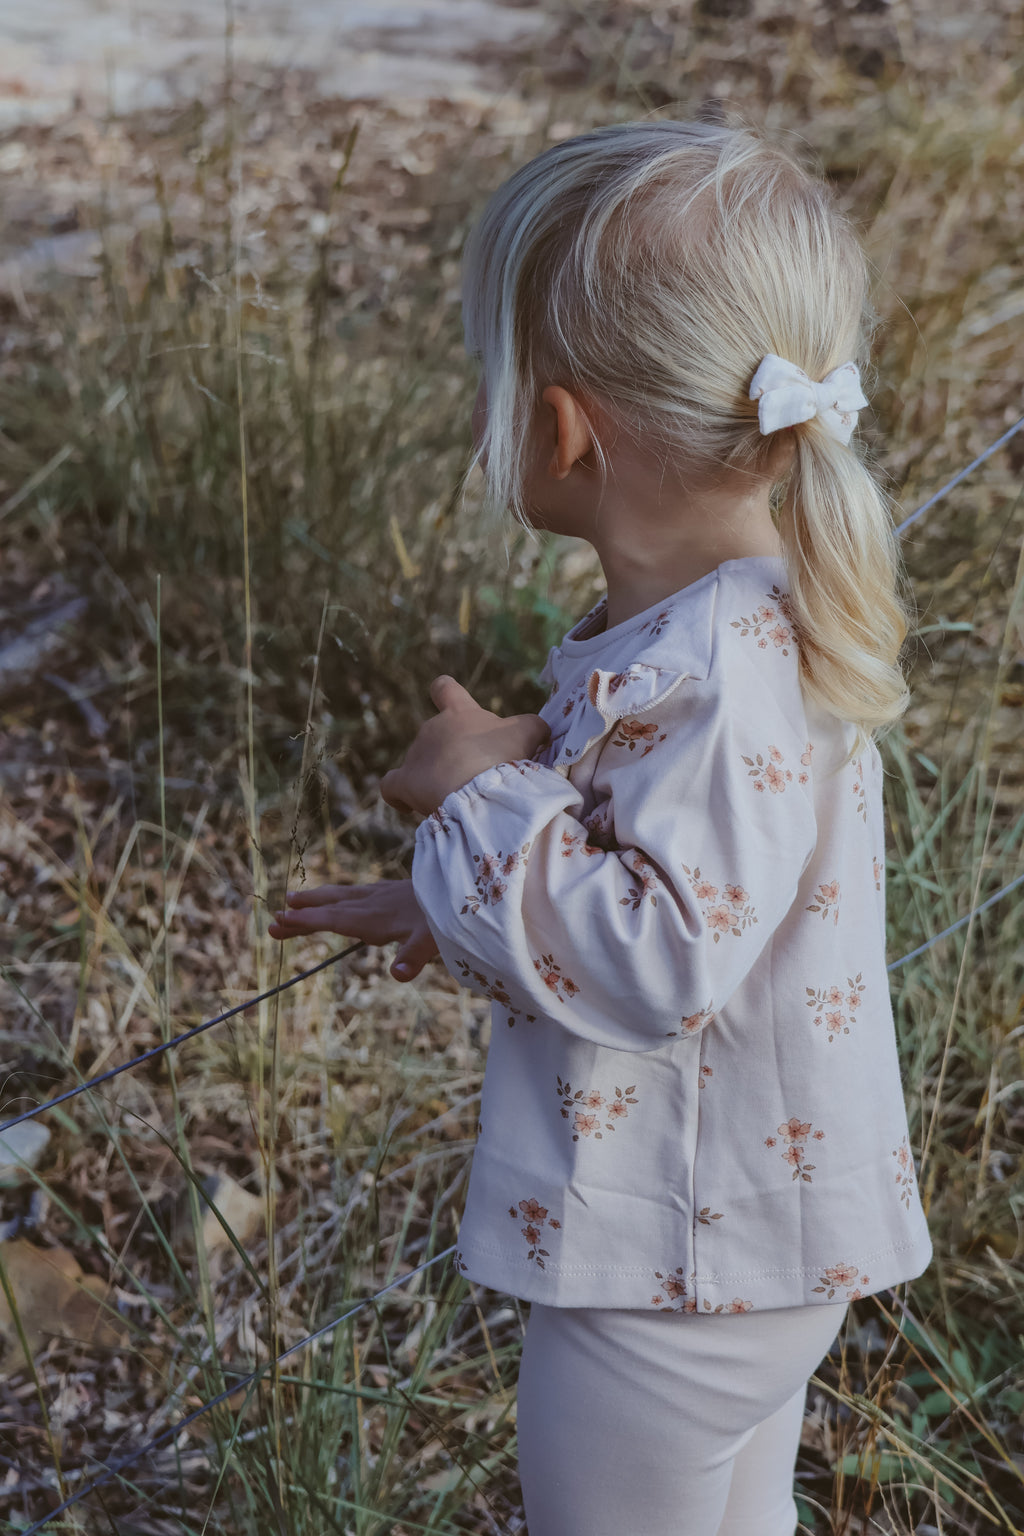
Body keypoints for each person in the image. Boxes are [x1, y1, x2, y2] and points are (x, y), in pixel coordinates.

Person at [270, 121, 932, 1536]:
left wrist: (476, 792)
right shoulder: (723, 624)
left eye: (489, 375)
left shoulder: (717, 671)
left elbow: (660, 956)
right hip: (736, 1244)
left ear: (565, 428)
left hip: (674, 1270)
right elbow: (664, 875)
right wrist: (447, 895)